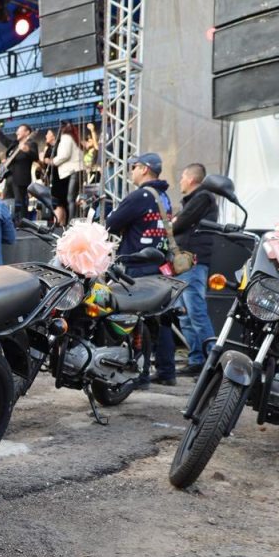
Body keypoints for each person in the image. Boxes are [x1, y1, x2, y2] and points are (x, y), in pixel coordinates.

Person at [106, 152, 176, 387]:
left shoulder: (140, 196)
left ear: (145, 169)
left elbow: (111, 223)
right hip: (160, 265)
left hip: (137, 267)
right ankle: (167, 371)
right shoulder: (163, 197)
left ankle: (140, 374)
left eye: (134, 167)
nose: (131, 171)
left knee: (134, 320)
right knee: (161, 319)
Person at [171, 163, 218, 377]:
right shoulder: (195, 199)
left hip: (194, 262)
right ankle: (196, 360)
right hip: (184, 263)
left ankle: (211, 363)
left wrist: (174, 222)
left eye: (182, 176)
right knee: (184, 314)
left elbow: (180, 224)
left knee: (196, 312)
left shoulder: (203, 197)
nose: (179, 181)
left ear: (191, 179)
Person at [0, 111, 39, 219]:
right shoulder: (14, 144)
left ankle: (23, 226)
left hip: (20, 179)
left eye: (19, 130)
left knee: (20, 203)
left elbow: (35, 157)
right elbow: (3, 138)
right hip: (9, 177)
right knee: (6, 202)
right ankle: (8, 223)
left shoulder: (31, 144)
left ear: (27, 132)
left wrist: (27, 150)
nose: (16, 132)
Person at [52, 121, 85, 225]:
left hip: (73, 171)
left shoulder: (66, 137)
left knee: (70, 199)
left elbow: (64, 155)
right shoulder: (75, 139)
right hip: (78, 170)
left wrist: (53, 161)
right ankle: (72, 220)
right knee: (72, 198)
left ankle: (71, 222)